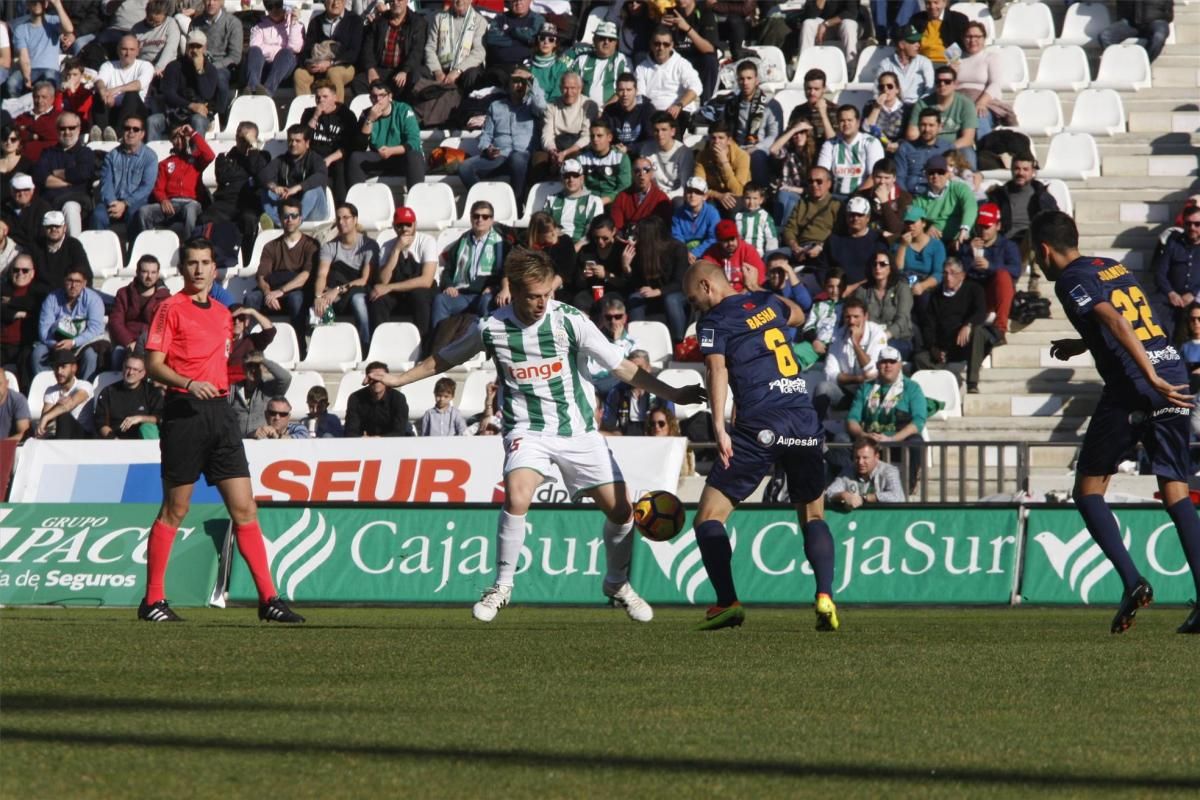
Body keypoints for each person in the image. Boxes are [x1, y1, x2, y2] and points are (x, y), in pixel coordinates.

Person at [367, 248, 702, 623]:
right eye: (533, 296)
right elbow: (442, 360)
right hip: (528, 430)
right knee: (517, 493)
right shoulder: (492, 327)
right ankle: (503, 585)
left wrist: (672, 393)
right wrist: (396, 379)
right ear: (515, 290)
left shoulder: (570, 321)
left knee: (623, 512)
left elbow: (621, 366)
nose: (542, 303)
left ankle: (617, 583)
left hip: (577, 431)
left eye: (546, 294)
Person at [1034, 209, 1200, 634]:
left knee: (1088, 490)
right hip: (1173, 369)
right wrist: (1082, 342)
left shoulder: (1069, 279)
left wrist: (1147, 377)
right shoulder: (1109, 266)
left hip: (1137, 384)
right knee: (1176, 489)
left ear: (1044, 249)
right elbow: (1136, 319)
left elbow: (1115, 319)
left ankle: (1132, 582)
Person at [139, 237, 304, 623]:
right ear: (183, 269)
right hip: (185, 413)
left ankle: (269, 600)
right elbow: (152, 363)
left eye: (205, 263)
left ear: (215, 268)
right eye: (191, 263)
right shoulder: (169, 308)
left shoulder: (222, 314)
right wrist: (186, 381)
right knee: (175, 509)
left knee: (245, 507)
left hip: (221, 415)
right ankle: (152, 601)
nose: (198, 269)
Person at [682, 259, 838, 632]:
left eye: (693, 299)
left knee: (708, 518)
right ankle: (825, 596)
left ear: (707, 287)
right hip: (802, 418)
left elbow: (716, 369)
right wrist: (762, 299)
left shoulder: (713, 322)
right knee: (813, 516)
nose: (694, 307)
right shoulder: (769, 302)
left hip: (760, 424)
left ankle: (727, 602)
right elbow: (799, 315)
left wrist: (718, 427)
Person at [458, 68, 545, 206]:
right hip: (499, 155)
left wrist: (532, 78)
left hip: (523, 156)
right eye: (516, 82)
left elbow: (541, 106)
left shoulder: (532, 106)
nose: (520, 86)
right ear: (508, 84)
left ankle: (516, 207)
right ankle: (485, 204)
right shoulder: (496, 106)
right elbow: (486, 135)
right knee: (465, 167)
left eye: (523, 82)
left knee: (517, 158)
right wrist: (487, 149)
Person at [846, 347, 926, 484]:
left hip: (897, 442)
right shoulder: (866, 388)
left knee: (916, 441)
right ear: (877, 365)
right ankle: (849, 484)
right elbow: (852, 420)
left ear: (900, 365)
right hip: (868, 443)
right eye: (884, 362)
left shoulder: (912, 388)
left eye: (892, 361)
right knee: (841, 439)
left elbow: (918, 421)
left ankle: (910, 484)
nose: (888, 365)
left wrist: (892, 439)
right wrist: (864, 435)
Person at [985, 156, 1059, 293]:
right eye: (1017, 168)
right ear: (1012, 170)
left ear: (1033, 172)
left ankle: (1034, 280)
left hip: (1029, 242)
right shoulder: (1000, 194)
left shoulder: (1041, 195)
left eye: (1025, 169)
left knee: (1034, 231)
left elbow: (1054, 218)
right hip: (1005, 241)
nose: (1021, 173)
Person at [432, 201, 509, 332]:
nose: (480, 220)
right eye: (476, 216)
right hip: (461, 295)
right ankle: (437, 345)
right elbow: (448, 269)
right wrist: (449, 285)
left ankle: (487, 346)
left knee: (487, 301)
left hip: (486, 294)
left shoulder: (502, 244)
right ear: (471, 218)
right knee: (441, 300)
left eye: (485, 217)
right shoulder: (461, 242)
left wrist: (495, 287)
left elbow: (507, 271)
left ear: (492, 220)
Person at [369, 207, 439, 349]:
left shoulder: (427, 241)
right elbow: (383, 280)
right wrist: (396, 250)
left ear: (415, 224)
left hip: (422, 292)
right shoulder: (388, 246)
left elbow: (426, 280)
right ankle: (381, 346)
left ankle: (425, 346)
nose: (404, 228)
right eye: (400, 225)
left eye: (408, 224)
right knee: (378, 299)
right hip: (399, 294)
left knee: (418, 295)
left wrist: (390, 287)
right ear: (394, 226)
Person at [915, 257, 988, 393]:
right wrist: (933, 348)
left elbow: (980, 312)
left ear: (962, 275)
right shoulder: (935, 295)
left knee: (978, 332)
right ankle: (939, 383)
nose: (948, 277)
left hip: (965, 343)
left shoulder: (974, 289)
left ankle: (972, 383)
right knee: (919, 358)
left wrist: (968, 325)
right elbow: (929, 325)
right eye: (945, 273)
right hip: (944, 347)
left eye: (953, 273)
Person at [314, 202, 380, 351]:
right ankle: (326, 346)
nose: (341, 222)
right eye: (338, 218)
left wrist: (337, 289)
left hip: (359, 289)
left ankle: (365, 345)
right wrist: (318, 297)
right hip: (336, 288)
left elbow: (364, 279)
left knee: (358, 300)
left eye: (346, 217)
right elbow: (322, 274)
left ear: (355, 219)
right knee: (321, 303)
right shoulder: (329, 247)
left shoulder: (369, 245)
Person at [347, 80, 425, 202]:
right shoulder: (367, 114)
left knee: (414, 156)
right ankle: (358, 204)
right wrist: (370, 120)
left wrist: (392, 150)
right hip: (381, 157)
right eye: (374, 96)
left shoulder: (404, 110)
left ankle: (418, 202)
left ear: (390, 96)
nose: (377, 99)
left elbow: (414, 142)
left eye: (381, 95)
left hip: (401, 157)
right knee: (355, 157)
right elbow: (359, 146)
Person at [136, 122, 213, 241]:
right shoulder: (164, 164)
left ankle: (189, 248)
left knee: (190, 209)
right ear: (171, 141)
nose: (179, 139)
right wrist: (163, 200)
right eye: (175, 137)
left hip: (192, 202)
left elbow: (210, 156)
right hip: (172, 203)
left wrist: (192, 133)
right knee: (144, 211)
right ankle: (149, 244)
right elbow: (158, 188)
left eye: (182, 135)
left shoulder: (196, 160)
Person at [959, 202, 1019, 344]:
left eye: (987, 227)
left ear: (997, 226)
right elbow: (957, 272)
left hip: (993, 294)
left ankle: (1000, 329)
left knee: (1003, 276)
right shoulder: (968, 246)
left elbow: (1016, 270)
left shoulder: (1008, 246)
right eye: (980, 226)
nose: (983, 230)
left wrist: (990, 266)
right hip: (972, 294)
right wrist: (968, 253)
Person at [624, 215, 690, 342]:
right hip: (651, 293)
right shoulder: (640, 250)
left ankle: (679, 341)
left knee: (671, 300)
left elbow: (680, 282)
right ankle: (636, 342)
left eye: (639, 234)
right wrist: (627, 267)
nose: (635, 238)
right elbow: (635, 284)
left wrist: (658, 291)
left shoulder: (678, 248)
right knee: (635, 298)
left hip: (677, 292)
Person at [31, 111, 95, 238]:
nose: (67, 132)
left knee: (70, 207)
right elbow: (39, 176)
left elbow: (83, 173)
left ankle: (75, 248)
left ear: (79, 129)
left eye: (71, 128)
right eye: (62, 128)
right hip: (49, 202)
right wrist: (69, 180)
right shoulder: (48, 153)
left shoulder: (85, 152)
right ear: (57, 129)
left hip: (76, 201)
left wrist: (55, 173)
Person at [33, 265, 103, 380]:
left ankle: (85, 390)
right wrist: (55, 344)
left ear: (84, 283)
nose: (73, 285)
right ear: (64, 281)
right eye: (69, 280)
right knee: (38, 353)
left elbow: (95, 329)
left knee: (90, 355)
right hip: (55, 343)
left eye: (77, 282)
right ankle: (46, 387)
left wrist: (74, 342)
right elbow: (44, 331)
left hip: (81, 343)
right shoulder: (52, 299)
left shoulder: (94, 300)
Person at [93, 113, 157, 237]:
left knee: (135, 214)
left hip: (136, 202)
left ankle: (134, 253)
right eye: (127, 128)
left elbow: (147, 187)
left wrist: (125, 203)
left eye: (136, 129)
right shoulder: (111, 155)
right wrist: (113, 203)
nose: (131, 132)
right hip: (113, 202)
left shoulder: (150, 157)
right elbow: (106, 183)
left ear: (142, 134)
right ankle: (100, 254)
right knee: (98, 215)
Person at [149, 31, 219, 140]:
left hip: (200, 115)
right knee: (152, 121)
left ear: (204, 48)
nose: (195, 50)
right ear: (186, 47)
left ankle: (197, 155)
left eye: (198, 46)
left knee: (198, 120)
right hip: (175, 114)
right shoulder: (174, 66)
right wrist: (190, 105)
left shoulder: (210, 69)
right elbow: (168, 94)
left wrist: (200, 71)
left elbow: (207, 95)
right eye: (191, 46)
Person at [720, 60, 779, 187]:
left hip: (761, 148)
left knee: (757, 158)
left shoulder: (770, 104)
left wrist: (756, 147)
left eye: (749, 78)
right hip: (737, 147)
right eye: (741, 79)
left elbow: (774, 135)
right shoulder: (732, 104)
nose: (745, 83)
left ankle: (761, 195)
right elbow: (724, 129)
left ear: (756, 80)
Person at [905, 65, 977, 169]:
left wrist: (944, 149)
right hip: (927, 144)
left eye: (947, 81)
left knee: (967, 152)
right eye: (938, 81)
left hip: (956, 147)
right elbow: (912, 135)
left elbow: (968, 138)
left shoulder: (966, 103)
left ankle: (971, 180)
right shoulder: (922, 104)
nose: (942, 84)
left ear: (955, 84)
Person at [258, 125, 330, 227]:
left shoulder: (315, 159)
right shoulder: (281, 160)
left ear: (307, 143)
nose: (293, 144)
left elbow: (321, 176)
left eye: (298, 141)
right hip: (288, 208)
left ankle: (295, 222)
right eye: (290, 140)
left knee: (314, 190)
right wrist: (274, 187)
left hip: (313, 211)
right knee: (266, 190)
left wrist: (298, 188)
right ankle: (279, 223)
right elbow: (263, 175)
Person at [634, 26, 702, 131]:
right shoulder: (641, 68)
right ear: (651, 45)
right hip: (652, 114)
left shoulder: (682, 64)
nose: (661, 48)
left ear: (672, 46)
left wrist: (679, 105)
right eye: (657, 44)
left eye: (666, 44)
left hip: (678, 113)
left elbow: (696, 87)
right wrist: (652, 111)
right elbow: (640, 96)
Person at [89, 35, 153, 142]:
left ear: (137, 51)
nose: (128, 53)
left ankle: (119, 135)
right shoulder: (108, 65)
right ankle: (101, 133)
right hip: (113, 108)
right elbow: (99, 81)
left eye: (132, 49)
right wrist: (103, 92)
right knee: (98, 94)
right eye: (124, 49)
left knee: (131, 94)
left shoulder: (145, 66)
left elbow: (138, 84)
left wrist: (115, 90)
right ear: (118, 50)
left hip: (136, 111)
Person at [109, 255, 170, 368]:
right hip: (127, 343)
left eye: (153, 272)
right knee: (118, 353)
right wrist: (128, 341)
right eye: (145, 272)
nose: (149, 277)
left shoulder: (165, 298)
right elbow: (115, 321)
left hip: (152, 344)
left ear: (158, 274)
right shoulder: (124, 293)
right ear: (137, 272)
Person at [6, 0, 74, 97]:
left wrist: (58, 4)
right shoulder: (20, 29)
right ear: (28, 5)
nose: (37, 4)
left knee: (49, 78)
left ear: (46, 4)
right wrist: (26, 77)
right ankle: (17, 109)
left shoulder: (53, 21)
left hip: (50, 69)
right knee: (12, 82)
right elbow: (23, 56)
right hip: (31, 69)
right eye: (34, 2)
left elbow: (69, 29)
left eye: (41, 1)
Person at [1, 255, 46, 394]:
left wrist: (10, 302)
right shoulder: (3, 289)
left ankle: (26, 399)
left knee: (26, 360)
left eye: (25, 270)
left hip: (24, 344)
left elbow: (34, 306)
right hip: (2, 343)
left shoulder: (38, 292)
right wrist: (17, 314)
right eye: (16, 270)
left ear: (32, 273)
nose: (20, 273)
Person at [190, 0, 244, 117]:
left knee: (219, 77)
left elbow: (235, 57)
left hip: (224, 67)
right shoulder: (195, 23)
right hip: (199, 63)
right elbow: (190, 50)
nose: (211, 3)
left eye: (215, 0)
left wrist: (211, 67)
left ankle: (220, 115)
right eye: (208, 0)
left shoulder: (233, 23)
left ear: (222, 2)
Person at [817, 104, 883, 200]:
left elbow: (874, 176)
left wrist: (855, 196)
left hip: (863, 196)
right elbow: (821, 174)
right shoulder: (830, 144)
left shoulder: (871, 142)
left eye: (849, 120)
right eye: (842, 121)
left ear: (858, 123)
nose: (846, 124)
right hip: (835, 197)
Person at [855, 252, 914, 359]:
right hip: (869, 338)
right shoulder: (862, 290)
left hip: (898, 339)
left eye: (883, 264)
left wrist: (883, 336)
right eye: (874, 264)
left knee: (882, 350)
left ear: (890, 267)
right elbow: (857, 316)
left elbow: (903, 319)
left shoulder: (902, 288)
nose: (878, 267)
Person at [1154, 203, 1200, 338]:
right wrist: (1171, 293)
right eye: (1188, 224)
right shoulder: (1173, 242)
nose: (1192, 228)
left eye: (1197, 224)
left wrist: (1193, 292)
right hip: (1171, 297)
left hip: (1196, 297)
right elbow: (1160, 273)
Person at [819, 195, 884, 291]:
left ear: (868, 218)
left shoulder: (878, 241)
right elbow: (822, 269)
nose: (855, 218)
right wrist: (832, 288)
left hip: (869, 291)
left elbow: (883, 271)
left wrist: (853, 288)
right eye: (852, 214)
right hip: (836, 292)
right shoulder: (833, 240)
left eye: (860, 215)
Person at [912, 154, 977, 247]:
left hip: (961, 242)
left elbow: (970, 206)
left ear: (947, 174)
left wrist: (964, 229)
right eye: (931, 172)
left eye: (940, 172)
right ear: (926, 175)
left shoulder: (959, 188)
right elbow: (913, 223)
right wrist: (925, 232)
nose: (935, 176)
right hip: (933, 244)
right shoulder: (920, 200)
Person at [781, 166, 841, 267]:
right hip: (800, 247)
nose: (814, 185)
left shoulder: (836, 205)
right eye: (810, 181)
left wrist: (821, 246)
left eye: (819, 181)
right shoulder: (802, 203)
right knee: (772, 256)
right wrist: (795, 246)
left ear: (829, 184)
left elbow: (839, 233)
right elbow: (790, 229)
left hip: (824, 248)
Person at [95, 352, 163, 440]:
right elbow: (100, 423)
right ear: (123, 368)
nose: (130, 372)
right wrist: (115, 441)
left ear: (143, 373)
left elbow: (159, 418)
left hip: (144, 441)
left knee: (148, 427)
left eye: (135, 369)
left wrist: (140, 418)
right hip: (115, 441)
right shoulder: (108, 392)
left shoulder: (152, 392)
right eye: (128, 368)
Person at [824, 438, 907, 510]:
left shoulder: (889, 471)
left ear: (876, 457)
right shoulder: (848, 470)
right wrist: (843, 495)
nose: (860, 462)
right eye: (857, 458)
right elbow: (829, 493)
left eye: (865, 458)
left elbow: (897, 497)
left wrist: (865, 498)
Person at [244, 0, 304, 96]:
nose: (274, 10)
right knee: (254, 51)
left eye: (278, 5)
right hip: (264, 65)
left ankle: (267, 90)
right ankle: (252, 88)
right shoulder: (259, 26)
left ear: (283, 5)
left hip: (284, 66)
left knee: (286, 53)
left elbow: (295, 48)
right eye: (270, 7)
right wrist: (278, 50)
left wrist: (293, 23)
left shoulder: (295, 24)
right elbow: (255, 47)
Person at [230, 349, 292, 438]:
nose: (253, 370)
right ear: (243, 368)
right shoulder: (233, 389)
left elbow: (286, 378)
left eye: (257, 366)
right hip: (238, 443)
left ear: (263, 368)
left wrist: (263, 360)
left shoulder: (269, 389)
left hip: (262, 443)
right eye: (250, 366)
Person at [693, 120, 750, 214]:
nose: (716, 142)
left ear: (729, 140)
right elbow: (698, 186)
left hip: (736, 197)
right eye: (713, 138)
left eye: (721, 138)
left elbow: (738, 191)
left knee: (733, 205)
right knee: (706, 207)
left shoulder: (742, 156)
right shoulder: (702, 156)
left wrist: (724, 163)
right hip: (714, 196)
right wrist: (718, 195)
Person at [35, 349, 93, 439]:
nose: (59, 371)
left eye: (63, 367)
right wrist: (48, 416)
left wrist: (48, 416)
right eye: (56, 367)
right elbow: (45, 420)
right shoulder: (51, 390)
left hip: (83, 437)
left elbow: (70, 404)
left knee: (63, 415)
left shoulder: (84, 385)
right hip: (60, 434)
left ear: (74, 368)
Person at [768, 119, 816, 227]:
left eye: (802, 132)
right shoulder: (789, 152)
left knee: (789, 199)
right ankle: (780, 232)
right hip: (788, 192)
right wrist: (794, 129)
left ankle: (781, 233)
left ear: (808, 134)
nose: (798, 136)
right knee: (783, 196)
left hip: (808, 194)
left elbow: (814, 188)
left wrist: (791, 189)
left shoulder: (815, 154)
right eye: (795, 134)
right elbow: (773, 150)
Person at [30, 209, 91, 292]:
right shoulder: (35, 246)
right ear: (44, 228)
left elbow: (86, 274)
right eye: (49, 226)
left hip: (67, 293)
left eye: (57, 226)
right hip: (40, 294)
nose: (53, 229)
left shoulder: (74, 245)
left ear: (65, 227)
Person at [346, 360, 411, 437]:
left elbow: (399, 431)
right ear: (367, 379)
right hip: (364, 443)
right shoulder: (356, 398)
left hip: (392, 443)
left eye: (380, 377)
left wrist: (379, 439)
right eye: (372, 377)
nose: (376, 381)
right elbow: (351, 430)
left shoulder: (398, 398)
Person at [545, 158, 605, 242]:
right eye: (567, 176)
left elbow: (593, 231)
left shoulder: (594, 201)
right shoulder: (551, 199)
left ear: (582, 179)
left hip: (583, 247)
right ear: (561, 179)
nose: (571, 180)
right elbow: (545, 225)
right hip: (555, 243)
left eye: (575, 175)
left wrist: (578, 246)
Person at [895, 108, 952, 196]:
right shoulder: (905, 148)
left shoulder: (948, 148)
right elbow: (900, 178)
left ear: (940, 127)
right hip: (911, 198)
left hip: (939, 199)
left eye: (931, 125)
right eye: (923, 125)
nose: (926, 129)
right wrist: (905, 199)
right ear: (918, 125)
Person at [856, 157, 911, 244]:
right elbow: (856, 224)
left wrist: (884, 202)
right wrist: (880, 233)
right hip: (865, 241)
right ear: (873, 177)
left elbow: (896, 229)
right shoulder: (861, 196)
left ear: (894, 178)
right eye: (878, 177)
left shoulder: (904, 198)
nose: (882, 181)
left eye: (887, 178)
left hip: (893, 244)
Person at [1099, 0, 1174, 64]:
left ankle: (1142, 64)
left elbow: (1168, 5)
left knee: (1158, 37)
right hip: (1130, 21)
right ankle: (1118, 64)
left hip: (1156, 20)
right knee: (1105, 36)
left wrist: (1165, 16)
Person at [702, 219, 765, 293]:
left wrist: (742, 293)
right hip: (722, 295)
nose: (730, 243)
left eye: (732, 239)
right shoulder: (711, 253)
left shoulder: (748, 250)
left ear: (737, 237)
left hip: (746, 292)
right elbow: (705, 276)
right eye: (725, 240)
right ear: (719, 241)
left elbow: (759, 278)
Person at [877, 24, 934, 105]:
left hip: (919, 108)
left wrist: (919, 106)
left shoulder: (925, 62)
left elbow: (930, 90)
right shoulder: (885, 64)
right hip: (894, 108)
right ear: (901, 45)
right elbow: (878, 90)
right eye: (913, 41)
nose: (918, 45)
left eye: (918, 41)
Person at [575, 20, 628, 105]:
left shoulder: (621, 60)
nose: (606, 42)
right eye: (602, 38)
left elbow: (625, 89)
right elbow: (571, 85)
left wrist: (605, 109)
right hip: (582, 108)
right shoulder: (582, 59)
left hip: (610, 111)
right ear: (594, 40)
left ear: (616, 43)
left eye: (610, 39)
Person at [642, 111, 693, 196]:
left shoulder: (684, 152)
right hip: (653, 195)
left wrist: (665, 197)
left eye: (664, 130)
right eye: (656, 130)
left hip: (676, 197)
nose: (660, 134)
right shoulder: (646, 149)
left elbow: (684, 186)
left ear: (672, 131)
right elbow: (644, 180)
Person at [671, 176, 720, 264]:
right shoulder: (678, 214)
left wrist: (695, 253)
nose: (692, 195)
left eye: (697, 192)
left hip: (707, 253)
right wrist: (685, 253)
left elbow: (713, 238)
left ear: (704, 196)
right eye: (689, 191)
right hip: (683, 254)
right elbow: (676, 236)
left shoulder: (712, 213)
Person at [603, 72, 655, 153]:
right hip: (615, 153)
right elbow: (604, 136)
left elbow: (652, 140)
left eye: (629, 90)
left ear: (636, 91)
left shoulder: (647, 109)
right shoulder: (609, 111)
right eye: (621, 90)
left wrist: (629, 148)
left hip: (641, 154)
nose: (625, 94)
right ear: (616, 91)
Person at [786, 69, 835, 149]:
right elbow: (788, 140)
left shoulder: (834, 110)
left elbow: (833, 143)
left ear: (824, 89)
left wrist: (823, 114)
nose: (812, 93)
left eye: (816, 89)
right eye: (809, 88)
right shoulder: (798, 111)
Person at [12, 82, 60, 164]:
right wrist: (32, 136)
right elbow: (13, 133)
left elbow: (54, 134)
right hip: (19, 162)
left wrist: (26, 128)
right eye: (36, 97)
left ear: (52, 99)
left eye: (44, 97)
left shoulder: (59, 117)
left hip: (46, 163)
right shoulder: (23, 116)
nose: (39, 101)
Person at [909, 0, 968, 65]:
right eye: (928, 3)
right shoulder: (917, 19)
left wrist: (953, 62)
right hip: (921, 62)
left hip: (947, 63)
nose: (932, 6)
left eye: (936, 2)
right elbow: (911, 41)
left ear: (944, 3)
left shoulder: (957, 19)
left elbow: (964, 43)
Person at [862, 71, 908, 156]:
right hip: (875, 149)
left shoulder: (906, 108)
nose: (885, 89)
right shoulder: (870, 105)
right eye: (881, 87)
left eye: (890, 86)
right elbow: (866, 129)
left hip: (899, 150)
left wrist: (898, 144)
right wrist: (877, 108)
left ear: (897, 89)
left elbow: (909, 135)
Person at [0, 369, 31, 442]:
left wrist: (2, 445)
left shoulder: (18, 400)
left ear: (7, 383)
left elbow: (23, 434)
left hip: (11, 449)